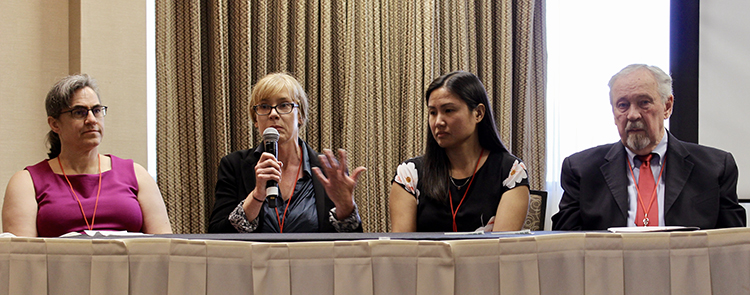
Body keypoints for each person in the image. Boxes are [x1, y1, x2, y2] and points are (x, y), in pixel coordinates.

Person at [552, 64, 746, 230]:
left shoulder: (715, 168)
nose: (633, 115)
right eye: (623, 105)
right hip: (610, 272)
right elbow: (566, 247)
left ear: (667, 106)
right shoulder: (581, 170)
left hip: (687, 271)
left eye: (644, 103)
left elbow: (731, 248)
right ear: (613, 112)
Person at [2, 74, 173, 237]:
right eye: (79, 112)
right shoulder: (27, 182)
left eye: (97, 110)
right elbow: (21, 259)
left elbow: (166, 249)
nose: (92, 119)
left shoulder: (137, 174)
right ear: (55, 124)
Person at [208, 73, 366, 233]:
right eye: (264, 106)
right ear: (256, 120)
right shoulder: (234, 166)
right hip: (257, 258)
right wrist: (257, 196)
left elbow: (351, 247)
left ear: (300, 116)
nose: (273, 114)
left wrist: (346, 209)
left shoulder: (328, 170)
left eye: (284, 105)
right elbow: (217, 235)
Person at [389, 71, 530, 232]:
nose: (438, 122)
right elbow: (402, 250)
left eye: (448, 110)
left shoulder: (511, 171)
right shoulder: (409, 174)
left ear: (478, 113)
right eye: (432, 113)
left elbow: (500, 251)